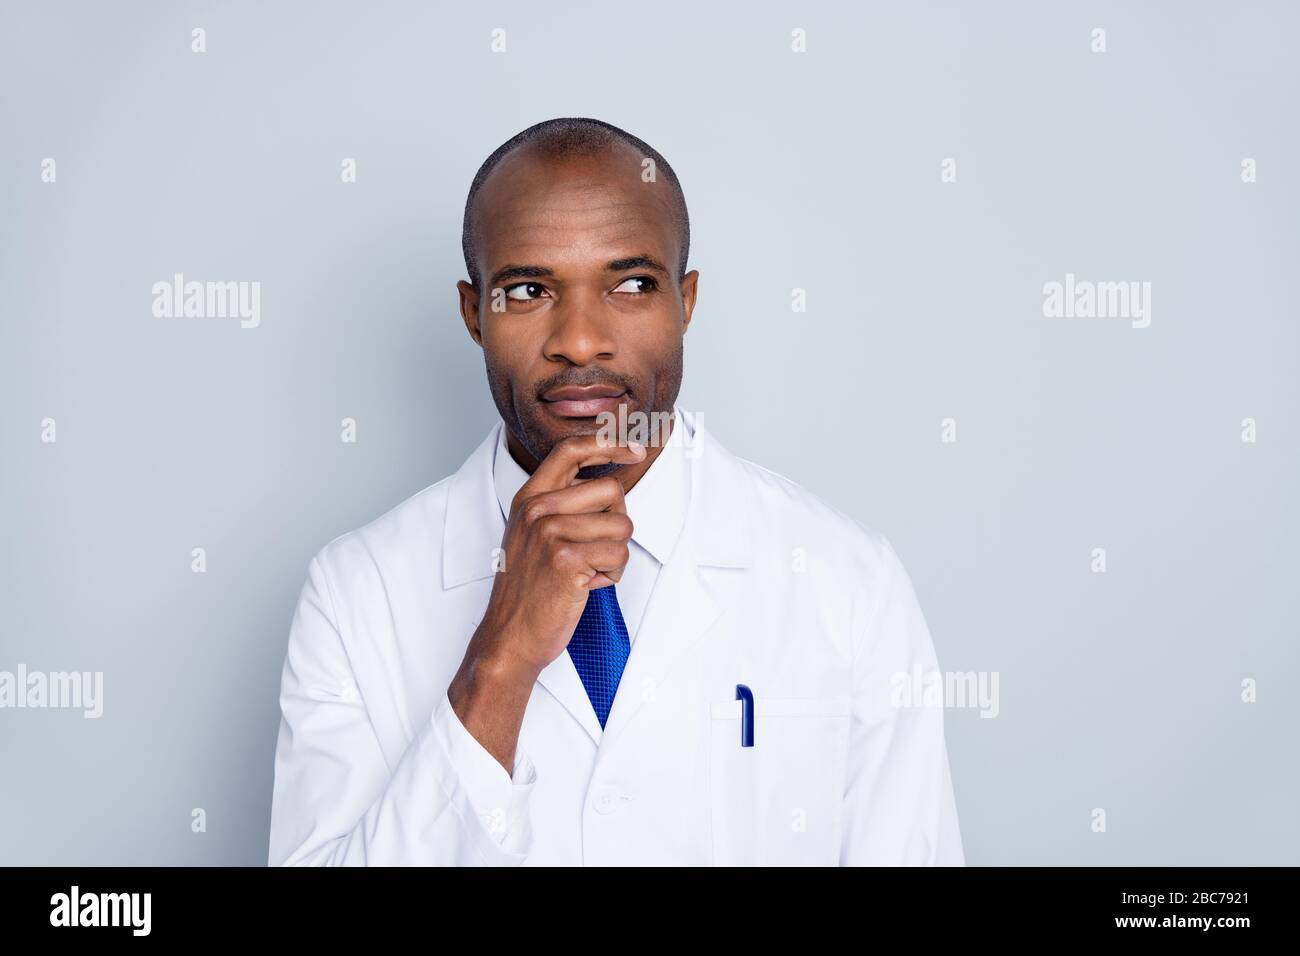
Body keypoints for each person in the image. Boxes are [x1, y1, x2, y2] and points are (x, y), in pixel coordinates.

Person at [268, 117, 964, 866]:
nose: (580, 339)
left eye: (631, 284)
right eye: (529, 289)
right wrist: (498, 664)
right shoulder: (354, 592)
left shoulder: (845, 581)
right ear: (474, 315)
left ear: (685, 302)